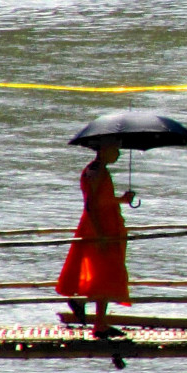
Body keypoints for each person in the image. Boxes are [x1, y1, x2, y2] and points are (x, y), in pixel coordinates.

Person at [56, 140, 134, 337]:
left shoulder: (99, 170)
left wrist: (122, 200)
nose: (118, 154)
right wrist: (99, 235)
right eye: (115, 149)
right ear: (103, 149)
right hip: (99, 228)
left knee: (105, 275)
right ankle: (84, 305)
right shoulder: (96, 171)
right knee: (105, 271)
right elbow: (91, 205)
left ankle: (100, 323)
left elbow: (102, 200)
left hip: (105, 227)